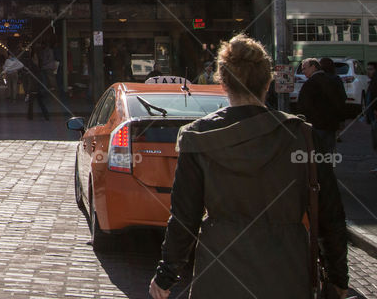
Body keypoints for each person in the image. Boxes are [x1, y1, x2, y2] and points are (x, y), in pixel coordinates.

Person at [149, 34, 348, 299]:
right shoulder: (303, 137)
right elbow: (330, 217)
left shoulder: (198, 137)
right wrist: (338, 278)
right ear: (268, 82)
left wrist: (166, 276)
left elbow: (185, 217)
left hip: (219, 277)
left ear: (223, 82)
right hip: (288, 276)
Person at [297, 58, 344, 157]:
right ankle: (328, 171)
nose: (303, 71)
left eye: (305, 68)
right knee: (328, 154)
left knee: (317, 155)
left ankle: (320, 172)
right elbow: (340, 100)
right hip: (331, 125)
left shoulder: (310, 83)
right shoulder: (332, 81)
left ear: (313, 67)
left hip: (316, 125)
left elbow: (304, 105)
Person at [24, 55, 50, 121]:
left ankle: (30, 117)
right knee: (41, 103)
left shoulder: (31, 74)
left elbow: (30, 84)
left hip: (33, 90)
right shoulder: (38, 72)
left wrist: (28, 92)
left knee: (31, 104)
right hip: (38, 89)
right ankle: (46, 116)